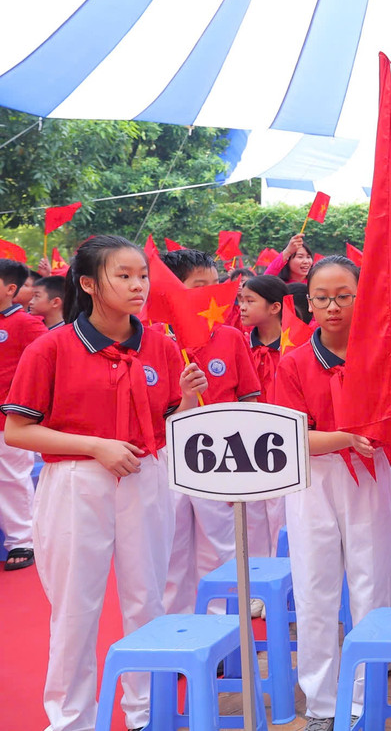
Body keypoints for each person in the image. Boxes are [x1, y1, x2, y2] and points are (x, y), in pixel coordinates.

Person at [4, 235, 206, 731]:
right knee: (76, 606)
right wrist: (96, 446)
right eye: (124, 275)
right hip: (76, 482)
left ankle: (146, 712)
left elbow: (169, 426)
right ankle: (70, 719)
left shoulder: (161, 345)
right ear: (90, 284)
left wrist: (186, 400)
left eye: (143, 275)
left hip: (146, 476)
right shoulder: (51, 347)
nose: (139, 285)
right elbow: (18, 430)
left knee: (147, 599)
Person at [277, 256, 391, 730]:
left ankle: (366, 697)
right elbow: (292, 437)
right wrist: (347, 436)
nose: (333, 307)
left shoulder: (381, 355)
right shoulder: (294, 362)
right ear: (309, 302)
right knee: (315, 589)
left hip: (370, 473)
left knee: (371, 583)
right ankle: (323, 703)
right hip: (312, 479)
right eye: (322, 298)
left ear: (360, 299)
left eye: (344, 297)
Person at [158, 250, 262, 618]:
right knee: (170, 547)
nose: (212, 293)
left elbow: (249, 398)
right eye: (200, 286)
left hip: (221, 453)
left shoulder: (230, 337)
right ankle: (174, 624)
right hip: (168, 453)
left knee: (220, 544)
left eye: (216, 284)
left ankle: (221, 621)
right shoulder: (154, 340)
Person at [239, 273, 292, 558]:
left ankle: (285, 575)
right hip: (247, 444)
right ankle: (257, 578)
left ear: (275, 307)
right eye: (240, 300)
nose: (242, 307)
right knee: (251, 522)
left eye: (250, 301)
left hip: (286, 444)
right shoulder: (239, 345)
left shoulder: (296, 345)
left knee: (283, 520)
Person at [0, 258, 48, 571]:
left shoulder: (26, 324)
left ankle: (22, 540)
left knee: (11, 478)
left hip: (9, 419)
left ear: (10, 289)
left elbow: (47, 363)